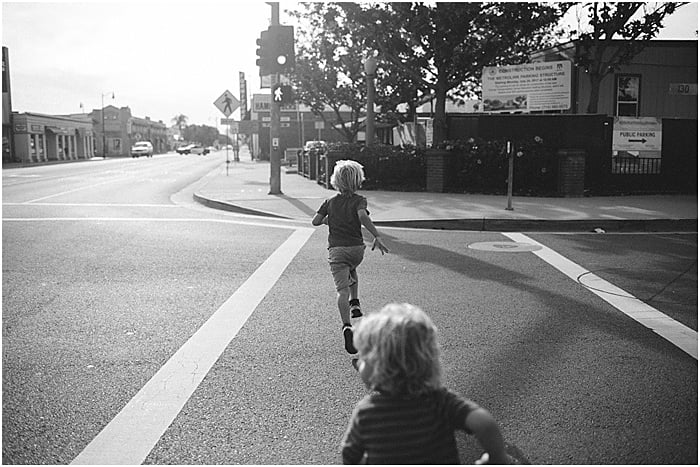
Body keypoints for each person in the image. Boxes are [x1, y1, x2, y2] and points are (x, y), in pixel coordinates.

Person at [341, 303, 512, 464]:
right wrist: (498, 458)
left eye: (363, 358)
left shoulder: (366, 413)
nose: (359, 363)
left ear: (379, 367)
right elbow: (483, 422)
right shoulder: (439, 402)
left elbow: (349, 456)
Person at [312, 159, 389, 354]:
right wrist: (376, 236)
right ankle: (355, 303)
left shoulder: (329, 202)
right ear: (358, 180)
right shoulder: (359, 200)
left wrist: (330, 220)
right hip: (356, 250)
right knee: (352, 270)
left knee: (341, 290)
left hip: (337, 251)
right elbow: (362, 217)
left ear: (335, 180)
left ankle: (347, 326)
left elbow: (315, 221)